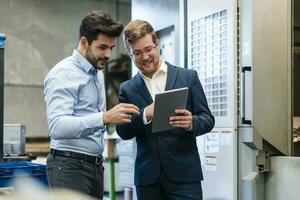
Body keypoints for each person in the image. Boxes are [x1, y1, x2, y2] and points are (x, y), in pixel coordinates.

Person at [44, 10, 140, 200]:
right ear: (84, 42)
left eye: (111, 48)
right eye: (102, 47)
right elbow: (57, 127)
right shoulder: (63, 73)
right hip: (69, 167)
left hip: (93, 166)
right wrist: (105, 117)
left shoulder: (97, 72)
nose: (108, 54)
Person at [116, 20, 215, 200]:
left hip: (185, 177)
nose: (144, 57)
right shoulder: (127, 89)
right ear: (130, 54)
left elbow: (207, 119)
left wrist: (191, 123)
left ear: (157, 44)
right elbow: (123, 131)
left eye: (148, 50)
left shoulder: (187, 77)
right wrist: (146, 113)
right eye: (137, 53)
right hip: (148, 180)